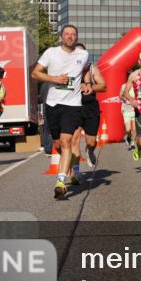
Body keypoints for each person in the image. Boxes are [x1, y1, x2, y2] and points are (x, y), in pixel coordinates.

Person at [31, 25, 89, 199]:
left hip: (73, 105)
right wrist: (53, 78)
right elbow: (35, 74)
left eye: (73, 34)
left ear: (76, 38)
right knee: (57, 144)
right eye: (67, 34)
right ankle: (70, 167)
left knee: (66, 141)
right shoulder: (51, 53)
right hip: (53, 104)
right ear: (61, 37)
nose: (70, 37)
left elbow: (85, 71)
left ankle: (61, 182)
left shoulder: (83, 55)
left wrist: (86, 82)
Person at [73, 47, 106, 171]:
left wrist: (91, 87)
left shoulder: (93, 69)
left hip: (90, 106)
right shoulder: (69, 68)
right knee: (74, 139)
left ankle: (90, 150)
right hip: (74, 106)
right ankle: (76, 171)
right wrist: (78, 86)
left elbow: (103, 85)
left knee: (91, 142)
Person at [120, 82, 136, 150]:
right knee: (128, 129)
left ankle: (133, 143)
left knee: (134, 129)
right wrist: (124, 98)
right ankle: (128, 137)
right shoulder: (124, 86)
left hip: (135, 110)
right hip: (126, 109)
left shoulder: (136, 86)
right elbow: (120, 96)